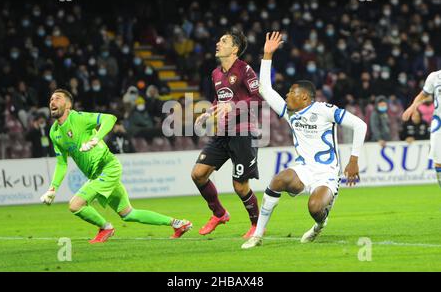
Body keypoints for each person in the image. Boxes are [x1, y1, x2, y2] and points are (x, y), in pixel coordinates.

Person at [242, 32, 367, 249]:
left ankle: (320, 224)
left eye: (291, 92)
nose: (287, 95)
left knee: (315, 208)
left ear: (304, 98)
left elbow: (360, 125)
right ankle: (258, 235)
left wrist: (353, 160)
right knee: (278, 180)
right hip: (304, 168)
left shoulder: (324, 110)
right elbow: (265, 89)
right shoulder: (290, 113)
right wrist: (267, 55)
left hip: (327, 173)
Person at [40, 89, 192, 243]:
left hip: (107, 167)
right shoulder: (54, 132)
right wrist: (53, 188)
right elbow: (62, 163)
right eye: (51, 98)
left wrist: (95, 138)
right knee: (128, 214)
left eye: (57, 98)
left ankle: (105, 228)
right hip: (96, 174)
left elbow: (110, 119)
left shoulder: (79, 118)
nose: (52, 101)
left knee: (75, 205)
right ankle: (178, 224)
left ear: (68, 105)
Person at [191, 29, 262, 238]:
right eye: (219, 40)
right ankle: (219, 214)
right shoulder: (215, 73)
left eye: (224, 41)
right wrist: (208, 113)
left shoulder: (245, 70)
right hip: (222, 133)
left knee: (240, 186)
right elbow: (219, 100)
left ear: (235, 49)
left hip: (243, 132)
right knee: (198, 174)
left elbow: (258, 99)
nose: (218, 43)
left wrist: (234, 107)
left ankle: (257, 225)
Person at [402, 70, 441, 188]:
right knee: (438, 161)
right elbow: (422, 95)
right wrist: (412, 107)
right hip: (439, 123)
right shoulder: (435, 76)